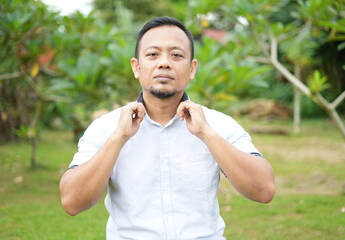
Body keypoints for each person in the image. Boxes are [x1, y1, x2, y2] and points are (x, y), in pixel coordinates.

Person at [60, 16, 275, 239]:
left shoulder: (218, 124)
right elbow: (72, 202)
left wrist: (207, 134)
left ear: (192, 69)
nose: (164, 63)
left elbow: (263, 190)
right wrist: (118, 139)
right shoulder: (107, 128)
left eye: (176, 55)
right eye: (153, 54)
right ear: (137, 67)